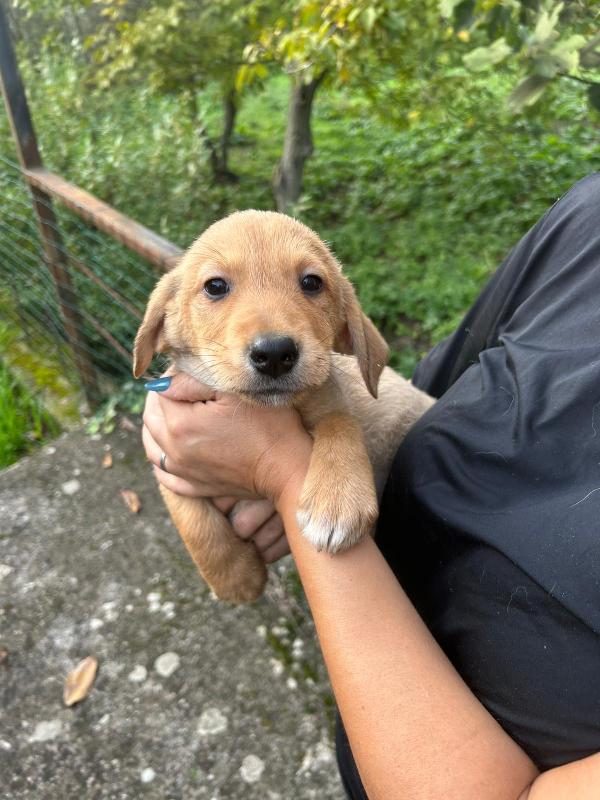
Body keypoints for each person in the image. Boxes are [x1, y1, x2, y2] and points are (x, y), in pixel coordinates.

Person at [142, 174, 600, 799]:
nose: (270, 333)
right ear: (165, 321)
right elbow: (176, 467)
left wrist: (284, 471)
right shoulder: (588, 221)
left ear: (345, 324)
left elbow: (350, 418)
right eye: (216, 287)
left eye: (311, 284)